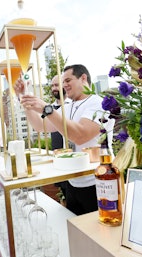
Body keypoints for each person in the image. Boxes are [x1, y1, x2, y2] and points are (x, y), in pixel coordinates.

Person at [15, 64, 114, 215]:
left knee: (103, 231)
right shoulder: (68, 107)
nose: (64, 85)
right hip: (73, 182)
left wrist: (46, 109)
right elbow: (40, 126)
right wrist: (24, 100)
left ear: (83, 78)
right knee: (77, 229)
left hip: (98, 181)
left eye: (68, 80)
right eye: (63, 82)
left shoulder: (99, 103)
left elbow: (80, 136)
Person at [49, 75, 72, 199]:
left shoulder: (72, 105)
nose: (54, 88)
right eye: (52, 86)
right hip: (57, 152)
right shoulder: (50, 108)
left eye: (57, 85)